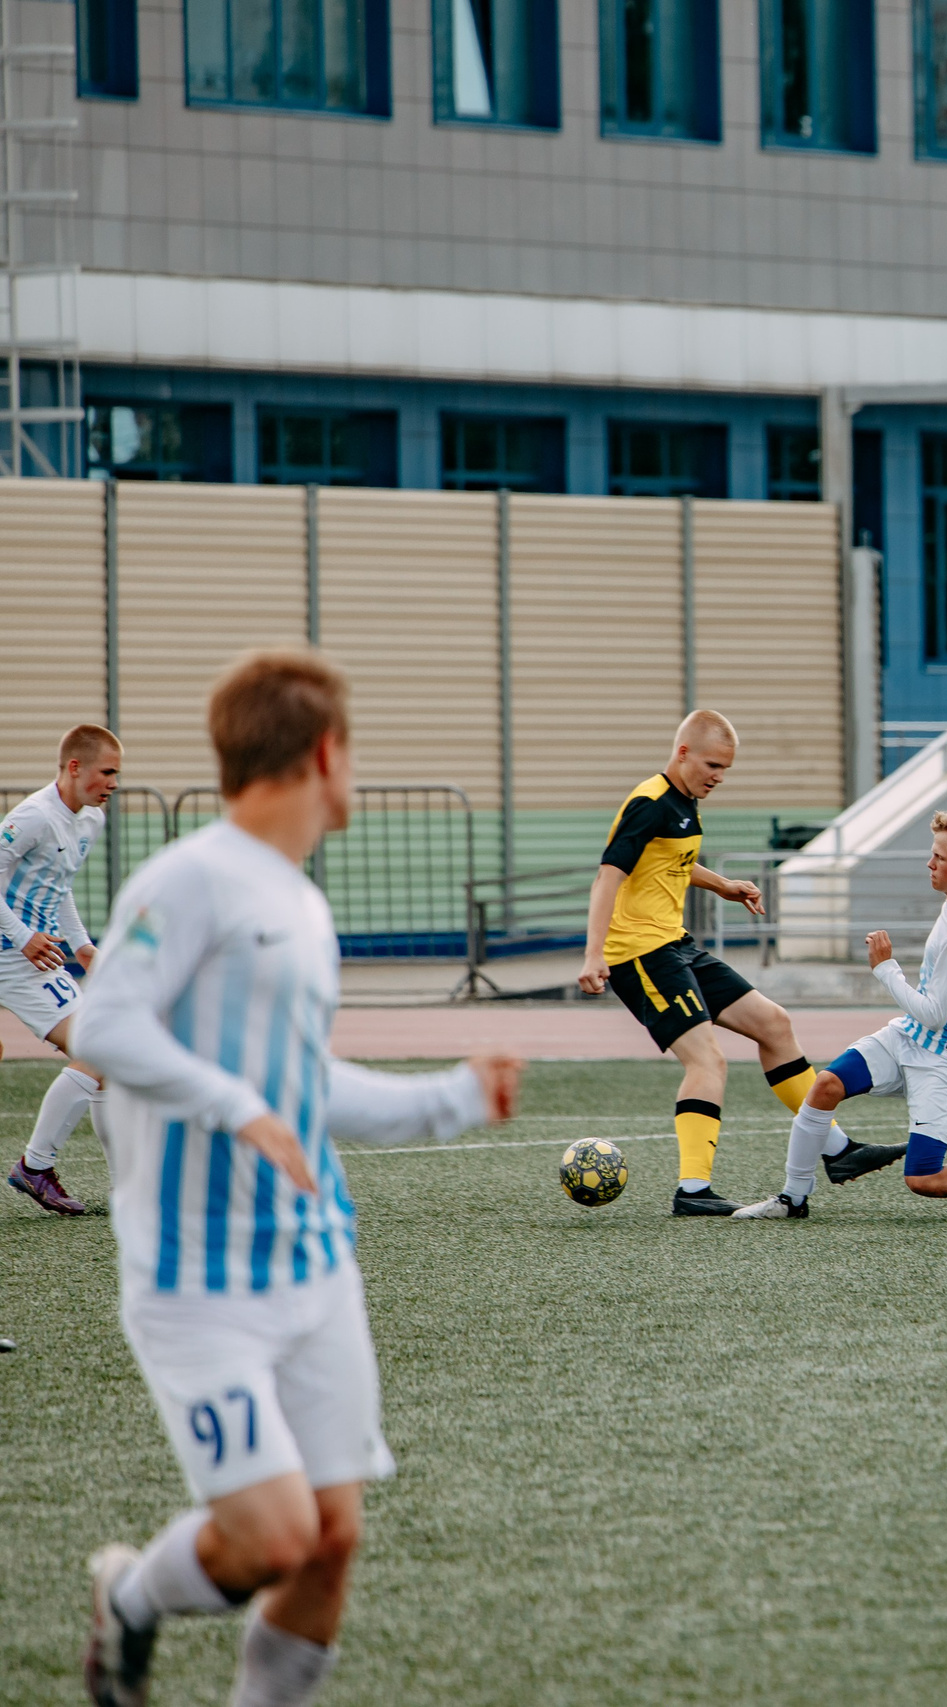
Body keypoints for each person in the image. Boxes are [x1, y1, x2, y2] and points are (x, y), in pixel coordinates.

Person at [73, 651, 523, 1707]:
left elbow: (300, 1084)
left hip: (316, 1272)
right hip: (197, 1284)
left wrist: (451, 1098)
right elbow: (103, 1026)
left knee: (331, 1541)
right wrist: (235, 1105)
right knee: (274, 1537)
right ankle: (130, 1599)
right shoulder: (190, 878)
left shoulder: (305, 907)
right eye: (353, 750)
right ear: (324, 753)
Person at [575, 711, 895, 1215]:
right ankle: (692, 1191)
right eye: (712, 765)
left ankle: (837, 1150)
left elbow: (669, 862)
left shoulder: (684, 801)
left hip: (674, 943)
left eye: (725, 768)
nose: (719, 777)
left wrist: (722, 884)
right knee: (707, 1060)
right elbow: (607, 878)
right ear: (683, 753)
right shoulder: (649, 803)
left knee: (773, 1023)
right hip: (639, 954)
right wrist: (594, 954)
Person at [737, 811, 947, 1222]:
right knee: (825, 1086)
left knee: (924, 1178)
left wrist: (885, 969)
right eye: (932, 854)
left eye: (939, 858)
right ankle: (792, 1199)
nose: (930, 864)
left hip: (943, 1058)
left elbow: (934, 1014)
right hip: (907, 1037)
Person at [3, 724, 121, 1217]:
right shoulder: (33, 817)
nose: (114, 782)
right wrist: (22, 937)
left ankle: (126, 1188)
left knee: (106, 1059)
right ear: (75, 767)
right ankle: (35, 1165)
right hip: (13, 954)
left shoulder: (90, 819)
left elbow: (59, 884)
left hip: (35, 956)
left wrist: (83, 945)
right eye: (107, 771)